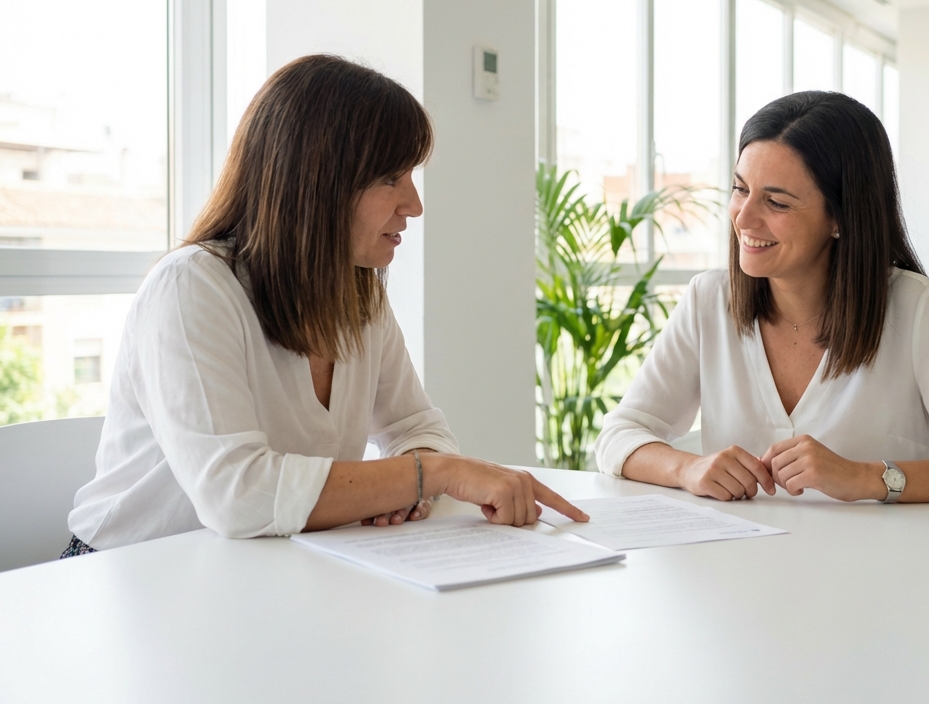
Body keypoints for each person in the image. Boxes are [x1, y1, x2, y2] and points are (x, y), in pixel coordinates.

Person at [65, 55, 585, 556]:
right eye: (391, 178)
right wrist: (431, 475)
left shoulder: (360, 296)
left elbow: (416, 428)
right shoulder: (190, 289)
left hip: (263, 571)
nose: (415, 205)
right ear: (315, 181)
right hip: (124, 580)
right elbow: (237, 495)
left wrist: (404, 488)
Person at [595, 91, 929, 504]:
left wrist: (866, 477)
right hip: (736, 574)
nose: (744, 218)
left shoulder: (914, 308)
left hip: (878, 579)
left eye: (777, 202)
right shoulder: (709, 299)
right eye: (740, 189)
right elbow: (619, 434)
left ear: (841, 218)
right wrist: (687, 468)